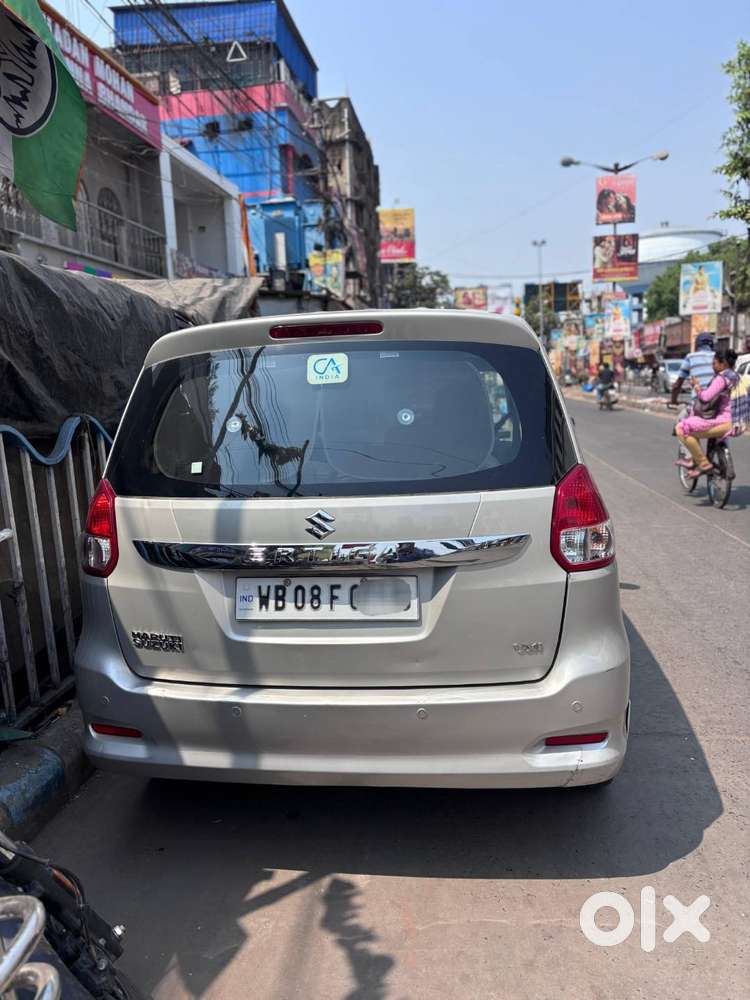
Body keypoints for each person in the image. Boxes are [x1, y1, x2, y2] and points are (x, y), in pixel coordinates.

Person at [675, 348, 739, 477]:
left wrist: (696, 386)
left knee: (681, 428)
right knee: (694, 426)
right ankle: (698, 460)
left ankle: (703, 463)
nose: (712, 366)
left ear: (723, 364)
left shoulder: (722, 378)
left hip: (723, 422)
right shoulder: (736, 376)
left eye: (714, 363)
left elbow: (705, 397)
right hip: (736, 421)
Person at [670, 332, 715, 403]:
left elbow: (677, 384)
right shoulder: (717, 358)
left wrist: (673, 400)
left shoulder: (690, 357)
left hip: (698, 403)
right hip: (716, 403)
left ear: (696, 345)